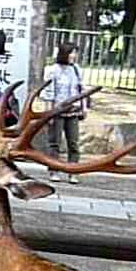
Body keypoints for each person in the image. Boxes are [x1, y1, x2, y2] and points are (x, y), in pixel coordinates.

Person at [42, 42, 88, 183]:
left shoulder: (76, 70)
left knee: (73, 142)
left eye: (75, 53)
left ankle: (72, 171)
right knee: (55, 142)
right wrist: (48, 113)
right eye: (71, 53)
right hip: (57, 111)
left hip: (73, 111)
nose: (73, 56)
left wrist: (84, 107)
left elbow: (81, 90)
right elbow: (49, 93)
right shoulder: (53, 70)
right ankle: (53, 170)